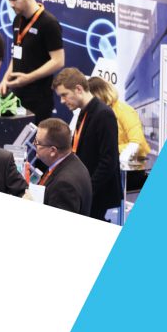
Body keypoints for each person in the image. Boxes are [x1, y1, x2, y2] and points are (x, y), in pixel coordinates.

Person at [53, 67, 122, 221]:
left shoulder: (103, 114)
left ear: (78, 89)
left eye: (64, 95)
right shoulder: (84, 112)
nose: (62, 101)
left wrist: (87, 188)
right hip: (84, 188)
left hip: (96, 193)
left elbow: (108, 161)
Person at [0, 0, 64, 125]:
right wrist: (5, 79)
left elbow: (58, 61)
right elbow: (17, 55)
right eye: (9, 0)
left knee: (36, 138)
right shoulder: (18, 20)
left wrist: (29, 78)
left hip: (39, 97)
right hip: (17, 94)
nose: (11, 4)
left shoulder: (49, 23)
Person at [35, 118, 92, 216]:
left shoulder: (64, 185)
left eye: (38, 142)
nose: (34, 144)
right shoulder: (72, 161)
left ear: (53, 151)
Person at [88, 76, 151, 161]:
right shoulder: (99, 113)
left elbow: (138, 143)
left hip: (134, 163)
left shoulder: (124, 110)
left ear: (99, 95)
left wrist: (107, 150)